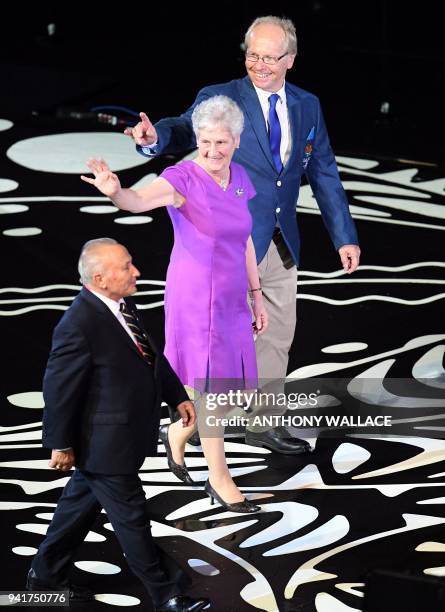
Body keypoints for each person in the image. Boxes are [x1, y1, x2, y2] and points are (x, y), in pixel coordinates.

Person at [124, 15, 361, 455]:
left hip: (279, 240)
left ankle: (263, 424)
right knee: (214, 339)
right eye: (253, 55)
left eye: (270, 57)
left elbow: (323, 169)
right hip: (225, 244)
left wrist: (344, 235)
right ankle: (186, 421)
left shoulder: (307, 105)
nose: (260, 65)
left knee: (277, 335)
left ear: (290, 59)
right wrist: (155, 138)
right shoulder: (223, 95)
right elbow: (182, 127)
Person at [81, 95, 268, 513]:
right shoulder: (181, 177)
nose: (212, 151)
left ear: (236, 141)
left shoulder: (239, 178)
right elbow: (139, 200)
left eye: (221, 142)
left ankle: (180, 433)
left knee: (230, 386)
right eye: (205, 141)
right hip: (196, 297)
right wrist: (117, 193)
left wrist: (257, 297)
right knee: (213, 387)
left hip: (233, 297)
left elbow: (246, 240)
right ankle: (219, 478)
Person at [26, 239, 209, 612]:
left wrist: (177, 396)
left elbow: (150, 357)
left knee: (76, 510)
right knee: (132, 518)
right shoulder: (78, 324)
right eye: (126, 266)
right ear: (100, 278)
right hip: (103, 442)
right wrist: (60, 443)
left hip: (120, 436)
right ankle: (168, 594)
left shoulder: (122, 305)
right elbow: (58, 389)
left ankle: (42, 581)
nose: (136, 272)